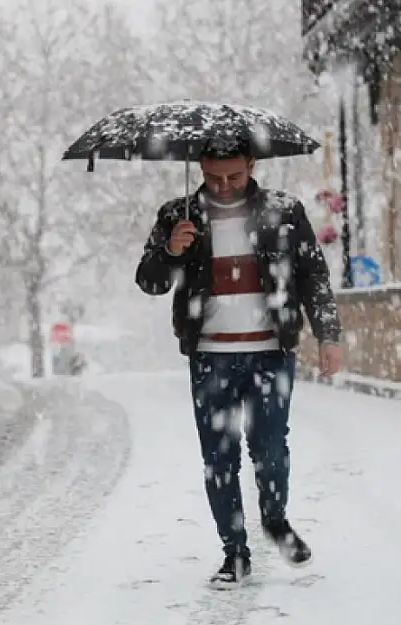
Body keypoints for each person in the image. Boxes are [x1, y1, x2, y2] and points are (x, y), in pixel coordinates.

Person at [135, 137, 343, 590]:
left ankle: (275, 519)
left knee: (270, 448)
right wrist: (170, 252)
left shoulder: (284, 212)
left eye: (234, 176)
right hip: (211, 356)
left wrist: (328, 335)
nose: (224, 186)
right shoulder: (178, 216)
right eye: (213, 177)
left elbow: (313, 276)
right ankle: (235, 553)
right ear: (201, 169)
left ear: (252, 164)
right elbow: (149, 281)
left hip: (272, 350)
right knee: (219, 457)